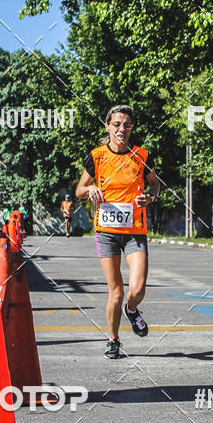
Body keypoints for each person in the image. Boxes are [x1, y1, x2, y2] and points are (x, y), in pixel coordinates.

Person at [75, 105, 160, 359]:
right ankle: (113, 340)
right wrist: (90, 191)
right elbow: (80, 188)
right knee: (116, 291)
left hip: (135, 231)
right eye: (117, 124)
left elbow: (155, 184)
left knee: (138, 288)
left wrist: (150, 196)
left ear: (132, 127)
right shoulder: (97, 156)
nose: (122, 129)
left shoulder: (141, 155)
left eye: (127, 125)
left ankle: (132, 310)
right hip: (106, 232)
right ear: (107, 126)